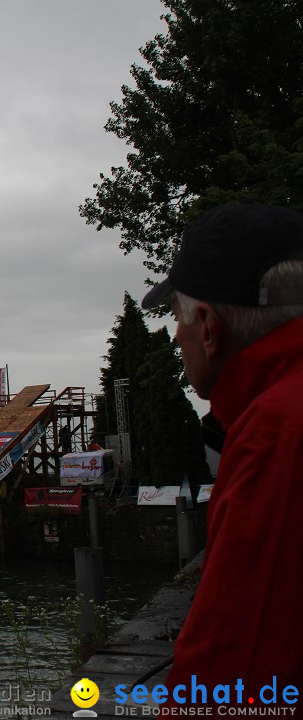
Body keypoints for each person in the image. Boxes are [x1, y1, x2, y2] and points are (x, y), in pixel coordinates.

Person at [141, 202, 303, 699]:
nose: (176, 335)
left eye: (176, 317)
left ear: (208, 328)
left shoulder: (277, 433)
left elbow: (238, 670)